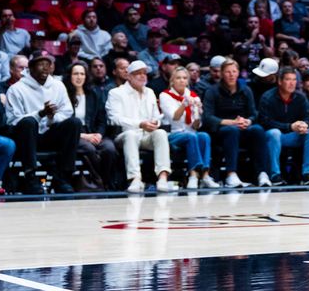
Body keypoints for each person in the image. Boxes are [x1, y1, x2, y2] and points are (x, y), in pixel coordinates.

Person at [5, 51, 80, 194]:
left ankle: (62, 177)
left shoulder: (58, 86)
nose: (45, 68)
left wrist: (52, 117)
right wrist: (40, 114)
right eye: (41, 64)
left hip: (49, 134)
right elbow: (13, 120)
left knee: (74, 123)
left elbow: (67, 112)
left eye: (48, 64)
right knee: (29, 122)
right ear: (31, 68)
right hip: (25, 139)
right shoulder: (16, 89)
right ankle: (30, 176)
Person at [107, 60, 177, 194]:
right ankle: (135, 178)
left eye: (144, 73)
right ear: (129, 76)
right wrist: (139, 124)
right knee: (131, 135)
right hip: (124, 135)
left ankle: (162, 177)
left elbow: (156, 116)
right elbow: (114, 119)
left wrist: (155, 123)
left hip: (146, 135)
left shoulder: (150, 92)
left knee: (161, 133)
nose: (142, 76)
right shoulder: (116, 93)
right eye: (138, 73)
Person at [202, 59, 270, 188]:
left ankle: (262, 173)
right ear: (222, 73)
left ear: (238, 73)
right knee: (231, 130)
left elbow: (254, 114)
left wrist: (248, 121)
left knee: (257, 130)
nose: (231, 75)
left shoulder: (246, 90)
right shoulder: (212, 91)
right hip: (220, 131)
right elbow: (208, 117)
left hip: (242, 127)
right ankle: (231, 175)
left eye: (234, 71)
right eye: (228, 72)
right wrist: (231, 122)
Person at [159, 66, 218, 189]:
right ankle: (193, 174)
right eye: (178, 78)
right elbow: (174, 117)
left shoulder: (193, 96)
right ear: (172, 81)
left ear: (188, 81)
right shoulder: (165, 95)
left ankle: (205, 175)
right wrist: (184, 104)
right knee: (191, 136)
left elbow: (196, 125)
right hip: (172, 134)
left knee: (204, 136)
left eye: (185, 78)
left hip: (191, 133)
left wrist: (198, 112)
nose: (181, 80)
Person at [257, 67, 309, 186]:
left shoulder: (300, 98)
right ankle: (275, 175)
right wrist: (290, 127)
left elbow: (306, 117)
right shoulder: (267, 97)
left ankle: (308, 174)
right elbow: (264, 122)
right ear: (280, 81)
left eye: (294, 80)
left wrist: (304, 125)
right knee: (274, 132)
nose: (292, 83)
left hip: (292, 136)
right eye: (288, 80)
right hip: (273, 137)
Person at [64, 62, 118, 191]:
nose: (79, 77)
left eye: (82, 74)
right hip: (75, 134)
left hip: (93, 132)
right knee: (89, 149)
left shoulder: (93, 94)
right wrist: (84, 136)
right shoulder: (64, 95)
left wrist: (99, 134)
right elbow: (63, 123)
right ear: (69, 76)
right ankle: (103, 182)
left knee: (109, 148)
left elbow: (102, 120)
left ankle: (103, 181)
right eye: (75, 74)